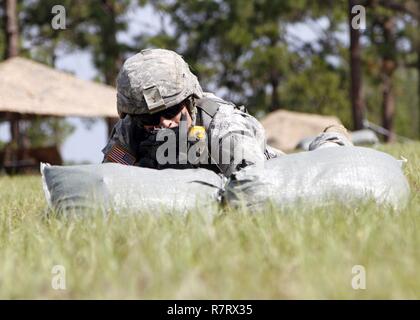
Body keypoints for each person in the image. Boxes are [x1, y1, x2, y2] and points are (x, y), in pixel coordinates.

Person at [102, 48, 353, 177]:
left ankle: (331, 140)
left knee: (322, 166)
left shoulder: (222, 124)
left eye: (171, 110)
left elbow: (254, 185)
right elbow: (105, 185)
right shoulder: (128, 131)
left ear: (190, 101)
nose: (164, 123)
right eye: (148, 118)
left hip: (278, 169)